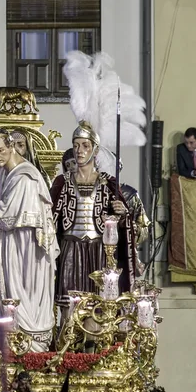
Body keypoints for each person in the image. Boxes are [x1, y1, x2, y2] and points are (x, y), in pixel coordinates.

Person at [0, 128, 59, 352]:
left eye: (0, 150)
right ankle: (15, 337)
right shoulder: (9, 171)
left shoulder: (25, 177)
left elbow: (7, 214)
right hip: (15, 243)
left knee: (24, 290)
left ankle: (29, 342)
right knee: (13, 289)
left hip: (28, 249)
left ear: (11, 147)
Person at [51, 121, 136, 300]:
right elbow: (50, 217)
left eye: (85, 146)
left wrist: (121, 215)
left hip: (99, 250)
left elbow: (124, 225)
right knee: (70, 306)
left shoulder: (108, 182)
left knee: (97, 307)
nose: (79, 150)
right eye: (75, 146)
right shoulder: (62, 182)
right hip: (70, 248)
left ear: (95, 150)